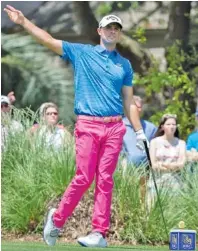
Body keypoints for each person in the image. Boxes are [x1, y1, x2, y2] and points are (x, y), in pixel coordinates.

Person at [4, 6, 149, 248]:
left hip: (114, 127)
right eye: (109, 27)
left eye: (117, 28)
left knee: (106, 180)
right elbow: (48, 40)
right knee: (84, 177)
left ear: (119, 34)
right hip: (88, 124)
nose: (113, 31)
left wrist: (140, 131)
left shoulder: (124, 65)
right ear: (99, 30)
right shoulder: (81, 52)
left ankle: (99, 233)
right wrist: (23, 22)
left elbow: (128, 101)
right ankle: (57, 218)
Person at [147, 114, 186, 210]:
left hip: (175, 184)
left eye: (174, 124)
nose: (172, 126)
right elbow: (154, 164)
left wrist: (165, 165)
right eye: (168, 124)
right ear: (162, 126)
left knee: (173, 210)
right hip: (157, 181)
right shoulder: (154, 142)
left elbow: (181, 164)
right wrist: (172, 166)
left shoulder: (181, 143)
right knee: (154, 209)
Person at [122, 95, 157, 168]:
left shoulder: (151, 128)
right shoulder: (118, 126)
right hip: (122, 171)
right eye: (137, 107)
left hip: (145, 171)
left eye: (141, 107)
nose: (140, 110)